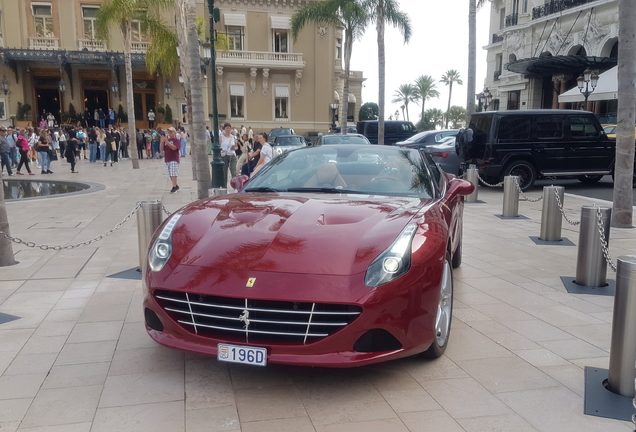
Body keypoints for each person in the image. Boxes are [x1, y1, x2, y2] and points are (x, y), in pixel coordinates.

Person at [160, 127, 181, 193]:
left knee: (173, 173)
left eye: (171, 132)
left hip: (174, 158)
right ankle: (176, 185)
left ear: (174, 133)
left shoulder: (176, 140)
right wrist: (162, 141)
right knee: (169, 173)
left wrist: (167, 142)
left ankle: (174, 187)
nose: (169, 133)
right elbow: (162, 148)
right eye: (169, 132)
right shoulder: (167, 140)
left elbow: (174, 148)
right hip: (167, 158)